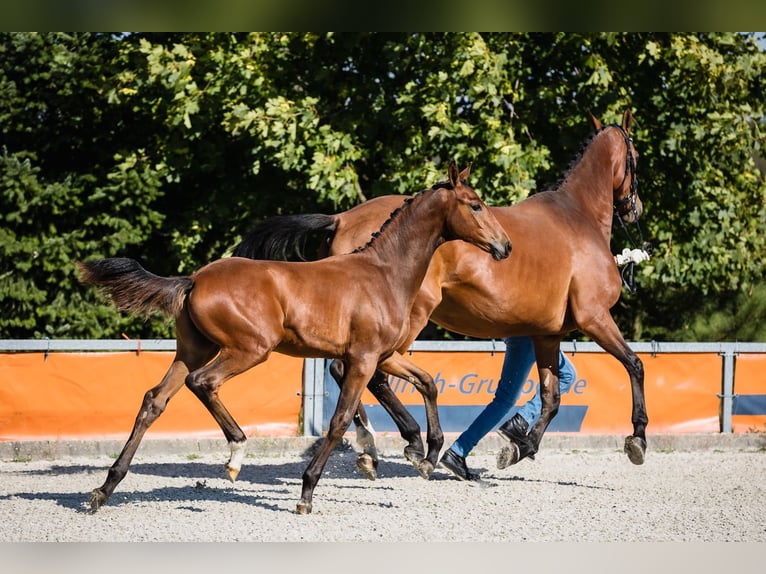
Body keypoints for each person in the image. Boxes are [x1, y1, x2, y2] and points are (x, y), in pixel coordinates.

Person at [439, 335, 577, 481]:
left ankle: (457, 452)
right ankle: (520, 421)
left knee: (566, 374)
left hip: (525, 335)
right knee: (506, 398)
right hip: (529, 335)